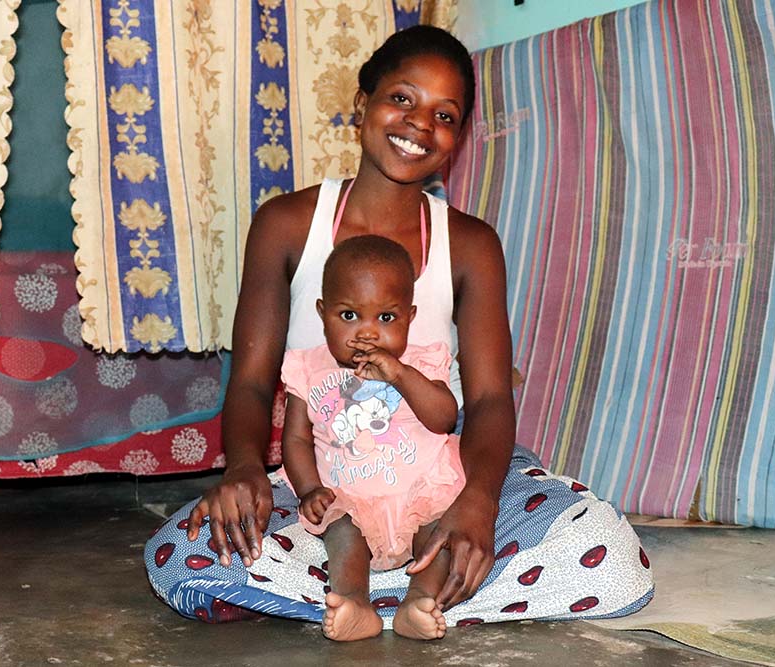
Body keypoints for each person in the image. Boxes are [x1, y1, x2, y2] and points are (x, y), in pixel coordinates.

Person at [145, 24, 652, 633]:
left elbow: (489, 398)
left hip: (440, 477)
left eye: (446, 114)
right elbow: (253, 383)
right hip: (328, 488)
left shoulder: (469, 244)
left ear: (458, 137)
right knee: (184, 556)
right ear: (363, 103)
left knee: (612, 553)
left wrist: (479, 504)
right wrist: (245, 470)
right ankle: (401, 595)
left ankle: (374, 595)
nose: (419, 125)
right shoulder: (285, 224)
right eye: (403, 98)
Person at [282, 234, 465, 640]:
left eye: (386, 318)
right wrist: (310, 488)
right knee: (342, 535)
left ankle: (418, 600)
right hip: (352, 498)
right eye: (349, 316)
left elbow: (444, 419)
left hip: (420, 491)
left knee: (438, 535)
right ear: (322, 312)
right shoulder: (308, 369)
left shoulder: (419, 360)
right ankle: (354, 603)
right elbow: (295, 440)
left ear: (409, 317)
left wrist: (400, 374)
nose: (367, 334)